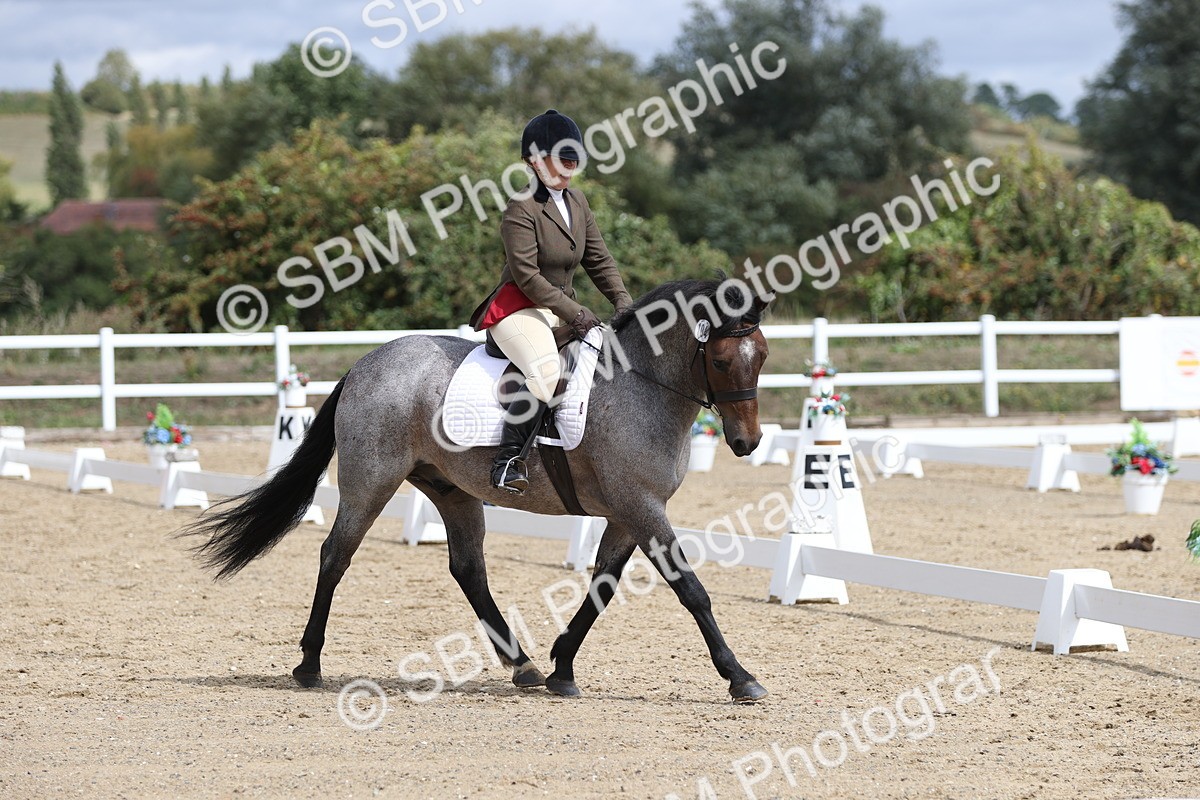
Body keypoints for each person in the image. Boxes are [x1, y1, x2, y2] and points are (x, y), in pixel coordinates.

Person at [469, 109, 633, 494]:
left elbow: (599, 259)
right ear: (534, 161)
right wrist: (576, 312)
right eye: (560, 159)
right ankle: (508, 461)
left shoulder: (577, 201)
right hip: (518, 307)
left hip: (558, 309)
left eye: (573, 159)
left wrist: (625, 304)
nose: (568, 168)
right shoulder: (521, 206)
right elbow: (526, 276)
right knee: (545, 374)